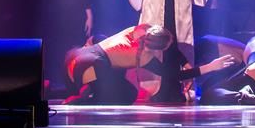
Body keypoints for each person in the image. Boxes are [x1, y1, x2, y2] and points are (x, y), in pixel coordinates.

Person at [64, 24, 235, 104]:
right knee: (126, 95)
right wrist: (211, 67)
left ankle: (86, 91)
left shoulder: (139, 30)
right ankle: (83, 99)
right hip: (92, 66)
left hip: (76, 56)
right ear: (157, 50)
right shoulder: (144, 56)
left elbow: (171, 49)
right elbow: (174, 75)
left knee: (118, 76)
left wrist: (186, 63)